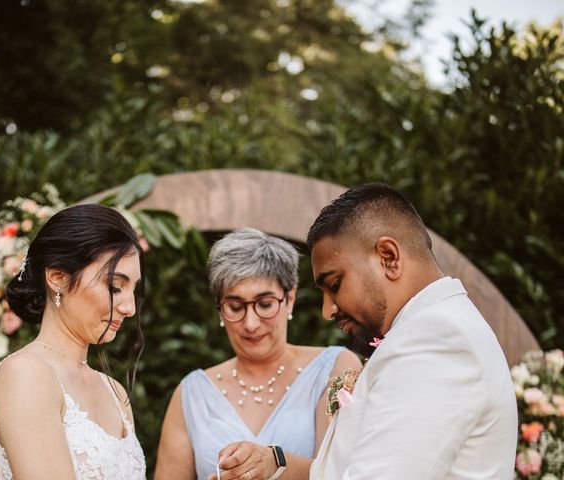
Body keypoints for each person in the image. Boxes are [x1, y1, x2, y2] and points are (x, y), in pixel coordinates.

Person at [306, 183, 518, 479]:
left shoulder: (438, 338)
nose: (327, 310)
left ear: (389, 257)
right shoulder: (432, 328)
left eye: (335, 284)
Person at [154, 228, 361, 480]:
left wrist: (275, 464)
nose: (251, 323)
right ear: (219, 310)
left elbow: (345, 471)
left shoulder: (336, 369)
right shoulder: (191, 394)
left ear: (290, 299)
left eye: (265, 304)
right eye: (235, 307)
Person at [0, 203, 147, 480]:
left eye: (133, 289)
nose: (129, 307)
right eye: (115, 287)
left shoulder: (115, 393)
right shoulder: (26, 373)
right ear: (58, 277)